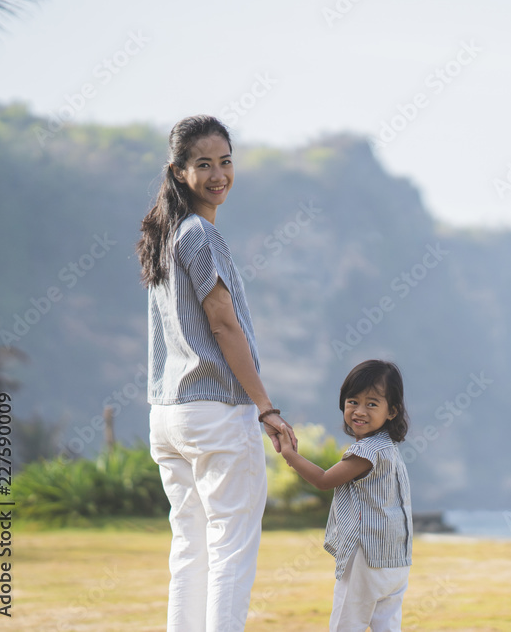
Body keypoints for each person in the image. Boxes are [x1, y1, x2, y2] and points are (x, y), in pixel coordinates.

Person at [136, 114, 297, 632]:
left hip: (168, 417)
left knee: (191, 551)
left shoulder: (164, 237)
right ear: (178, 171)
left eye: (225, 162)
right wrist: (266, 408)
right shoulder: (200, 235)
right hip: (214, 413)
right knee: (229, 551)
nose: (218, 175)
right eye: (203, 164)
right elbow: (224, 325)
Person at [278, 359, 413, 632]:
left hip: (367, 557)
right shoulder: (389, 449)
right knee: (387, 625)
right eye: (353, 402)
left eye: (372, 404)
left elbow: (324, 480)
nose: (359, 411)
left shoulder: (367, 452)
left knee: (345, 624)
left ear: (392, 411)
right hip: (397, 558)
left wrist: (290, 455)